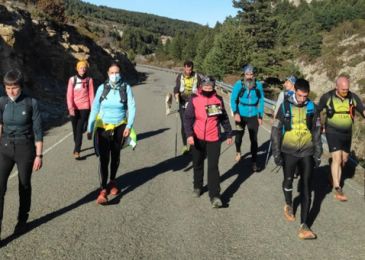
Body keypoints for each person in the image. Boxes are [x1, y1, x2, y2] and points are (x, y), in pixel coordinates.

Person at [271, 78, 322, 240]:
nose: (302, 99)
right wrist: (276, 153)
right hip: (289, 151)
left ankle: (304, 225)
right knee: (288, 180)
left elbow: (317, 131)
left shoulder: (313, 108)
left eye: (305, 96)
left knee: (307, 186)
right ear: (294, 92)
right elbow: (275, 131)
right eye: (300, 96)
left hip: (307, 151)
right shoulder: (285, 106)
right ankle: (289, 204)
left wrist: (318, 153)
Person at [0, 69, 43, 239]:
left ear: (21, 87)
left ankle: (22, 219)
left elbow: (38, 131)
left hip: (25, 148)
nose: (11, 91)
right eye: (8, 87)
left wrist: (39, 155)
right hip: (5, 148)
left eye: (15, 87)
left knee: (24, 185)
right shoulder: (2, 102)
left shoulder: (31, 103)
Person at [87, 63, 136, 205]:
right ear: (108, 73)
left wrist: (129, 125)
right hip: (103, 127)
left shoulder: (126, 88)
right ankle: (103, 189)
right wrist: (90, 128)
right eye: (112, 72)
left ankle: (112, 181)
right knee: (104, 158)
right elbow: (95, 108)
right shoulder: (102, 88)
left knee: (115, 155)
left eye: (117, 72)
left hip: (120, 126)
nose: (115, 75)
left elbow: (132, 107)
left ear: (120, 73)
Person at [184, 76, 233, 208]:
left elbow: (224, 118)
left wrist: (229, 133)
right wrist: (189, 135)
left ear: (213, 87)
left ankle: (215, 195)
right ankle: (197, 186)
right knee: (197, 163)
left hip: (213, 138)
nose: (207, 88)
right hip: (197, 137)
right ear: (201, 86)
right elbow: (187, 118)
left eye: (210, 86)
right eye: (205, 86)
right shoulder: (194, 99)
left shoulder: (218, 100)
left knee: (213, 167)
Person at [317, 76, 365, 202]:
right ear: (336, 87)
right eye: (343, 89)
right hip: (332, 131)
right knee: (337, 158)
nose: (345, 91)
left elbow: (362, 109)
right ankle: (337, 187)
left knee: (344, 160)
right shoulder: (327, 97)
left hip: (347, 133)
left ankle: (332, 174)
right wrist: (319, 125)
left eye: (347, 89)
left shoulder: (353, 97)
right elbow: (317, 110)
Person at [230, 64, 264, 171]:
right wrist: (235, 113)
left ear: (254, 74)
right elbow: (233, 99)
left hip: (253, 115)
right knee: (239, 136)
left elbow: (261, 100)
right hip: (241, 114)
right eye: (247, 74)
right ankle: (238, 151)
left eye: (251, 74)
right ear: (244, 74)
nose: (249, 76)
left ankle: (254, 161)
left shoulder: (258, 85)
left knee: (254, 139)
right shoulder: (239, 84)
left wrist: (260, 115)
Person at [67, 60, 95, 159]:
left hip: (85, 107)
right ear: (77, 69)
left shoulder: (89, 80)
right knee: (75, 130)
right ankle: (77, 143)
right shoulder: (72, 80)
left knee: (79, 129)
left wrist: (93, 108)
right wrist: (70, 108)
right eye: (80, 67)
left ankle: (77, 150)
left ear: (86, 69)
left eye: (84, 67)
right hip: (74, 108)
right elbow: (69, 95)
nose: (82, 69)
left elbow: (91, 95)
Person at [174, 60, 201, 155]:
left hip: (193, 104)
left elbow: (200, 88)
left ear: (192, 69)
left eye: (190, 70)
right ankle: (185, 146)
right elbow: (176, 88)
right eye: (187, 69)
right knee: (184, 124)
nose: (188, 71)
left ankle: (192, 144)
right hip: (182, 103)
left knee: (193, 124)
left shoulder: (197, 77)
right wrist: (176, 95)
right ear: (184, 68)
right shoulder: (180, 77)